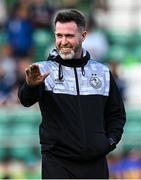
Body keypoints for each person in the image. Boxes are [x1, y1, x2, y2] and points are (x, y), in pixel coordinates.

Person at [18, 9, 126, 179]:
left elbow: (116, 114)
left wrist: (108, 142)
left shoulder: (102, 72)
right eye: (59, 35)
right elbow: (25, 100)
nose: (63, 41)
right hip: (57, 163)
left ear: (83, 36)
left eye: (69, 36)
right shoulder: (42, 70)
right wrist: (30, 86)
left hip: (95, 162)